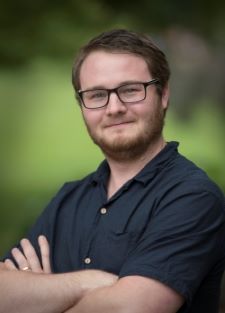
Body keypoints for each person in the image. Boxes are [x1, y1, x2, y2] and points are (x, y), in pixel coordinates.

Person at [0, 29, 225, 313]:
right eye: (96, 95)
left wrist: (40, 297)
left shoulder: (192, 197)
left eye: (130, 90)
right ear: (82, 105)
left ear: (164, 94)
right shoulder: (68, 200)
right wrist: (86, 283)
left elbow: (129, 308)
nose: (114, 108)